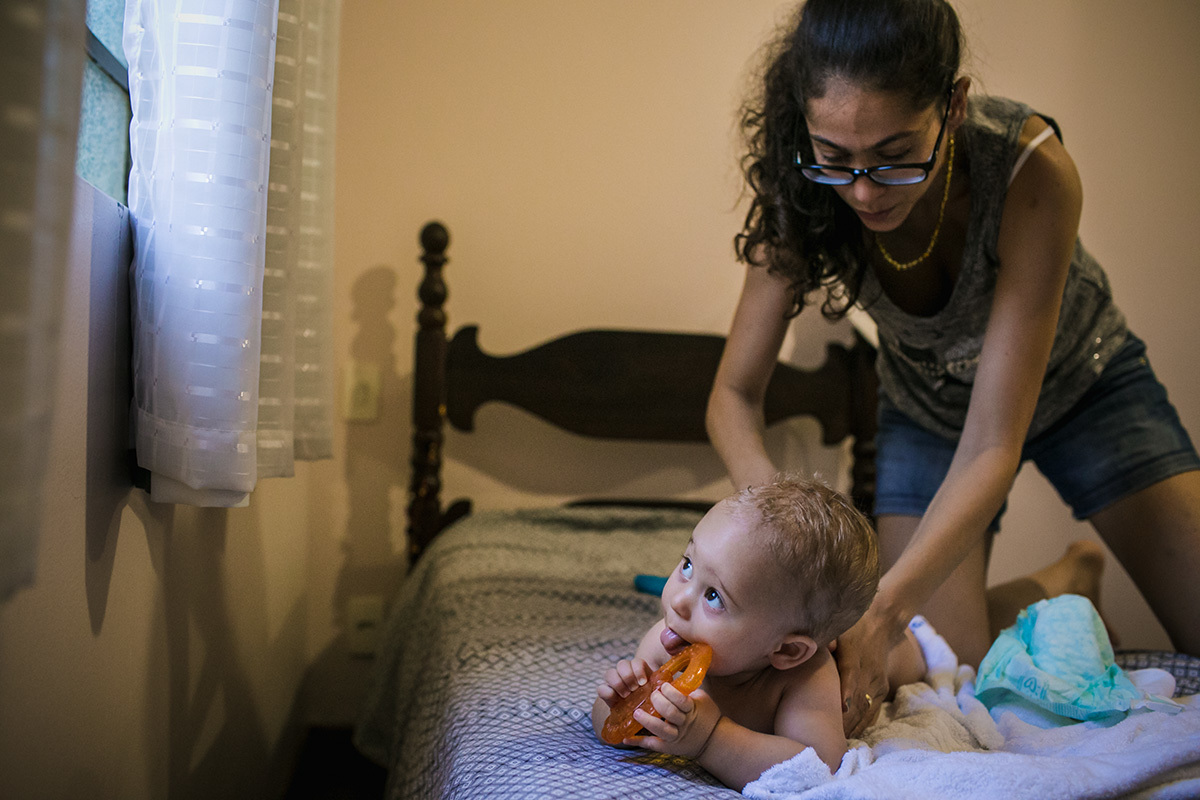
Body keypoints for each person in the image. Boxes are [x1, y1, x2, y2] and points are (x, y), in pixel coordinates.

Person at [705, 0, 1200, 739]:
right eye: (836, 158)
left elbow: (995, 443)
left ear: (954, 104)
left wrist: (885, 608)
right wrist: (786, 534)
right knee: (950, 654)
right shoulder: (801, 181)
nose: (864, 191)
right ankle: (1070, 578)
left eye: (896, 153)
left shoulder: (1034, 169)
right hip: (928, 404)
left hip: (1088, 383)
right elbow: (733, 398)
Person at [591, 476, 926, 790]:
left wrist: (710, 738)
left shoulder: (805, 677)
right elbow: (614, 728)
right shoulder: (663, 642)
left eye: (714, 597)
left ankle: (916, 640)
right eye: (688, 565)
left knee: (907, 660)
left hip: (878, 653)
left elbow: (820, 766)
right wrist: (618, 703)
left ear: (786, 652)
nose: (678, 600)